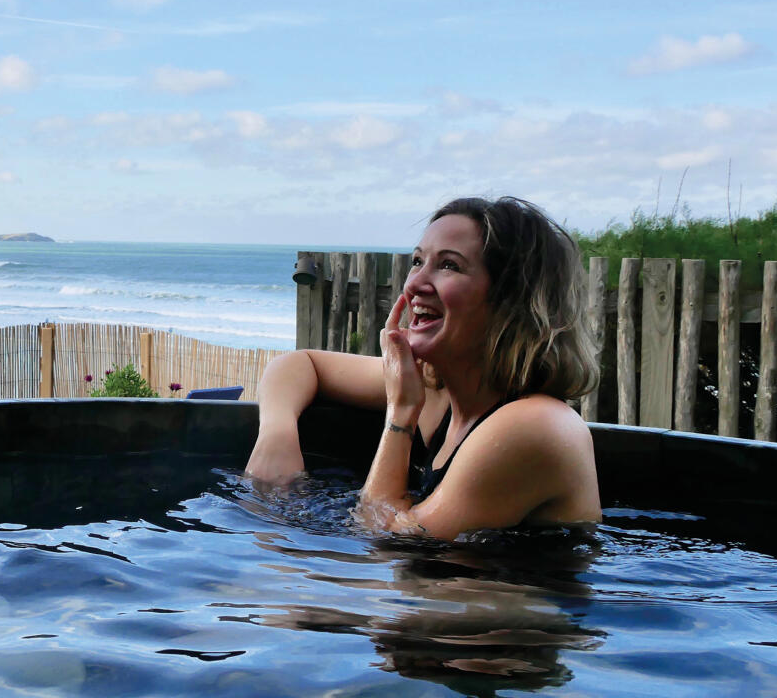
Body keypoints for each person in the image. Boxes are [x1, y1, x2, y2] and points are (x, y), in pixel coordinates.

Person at [246, 196, 601, 539]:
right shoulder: (438, 390)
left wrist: (400, 413)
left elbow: (383, 535)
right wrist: (277, 435)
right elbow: (299, 364)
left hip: (511, 598)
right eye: (418, 261)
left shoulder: (536, 426)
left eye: (449, 265)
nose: (414, 283)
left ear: (510, 302)